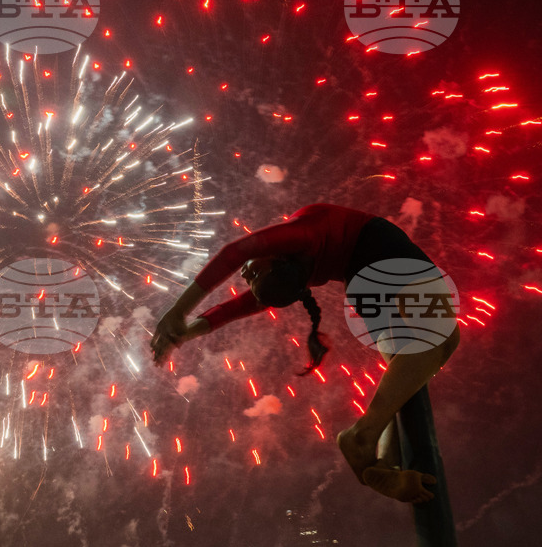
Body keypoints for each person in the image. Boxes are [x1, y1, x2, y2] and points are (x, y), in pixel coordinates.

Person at [150, 203, 459, 503]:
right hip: (377, 249)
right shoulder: (302, 247)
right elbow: (237, 264)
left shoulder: (301, 245)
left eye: (253, 278)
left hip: (361, 283)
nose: (246, 277)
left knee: (404, 377)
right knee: (440, 338)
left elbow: (237, 280)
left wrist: (182, 324)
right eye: (255, 278)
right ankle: (362, 435)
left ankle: (383, 462)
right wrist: (180, 316)